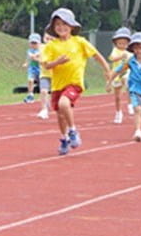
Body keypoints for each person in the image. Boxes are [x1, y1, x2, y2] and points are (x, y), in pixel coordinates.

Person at [41, 8, 111, 155]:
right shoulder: (51, 46)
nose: (61, 27)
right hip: (57, 85)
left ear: (72, 26)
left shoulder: (80, 42)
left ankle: (73, 131)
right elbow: (46, 65)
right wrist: (57, 62)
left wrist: (107, 69)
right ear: (53, 28)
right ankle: (64, 138)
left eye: (64, 24)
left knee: (64, 103)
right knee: (60, 114)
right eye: (58, 24)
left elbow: (96, 55)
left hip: (74, 83)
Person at [106, 32, 141, 142]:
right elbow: (118, 70)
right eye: (136, 48)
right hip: (135, 89)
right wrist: (109, 82)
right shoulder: (130, 61)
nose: (139, 50)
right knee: (137, 109)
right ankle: (138, 131)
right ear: (132, 49)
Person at [107, 27, 133, 124]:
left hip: (127, 73)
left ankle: (130, 104)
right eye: (120, 43)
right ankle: (118, 112)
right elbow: (112, 59)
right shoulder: (115, 50)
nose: (122, 45)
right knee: (117, 97)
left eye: (124, 43)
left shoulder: (130, 52)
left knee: (127, 81)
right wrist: (121, 56)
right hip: (116, 75)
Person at [36, 33, 53, 120]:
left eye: (51, 37)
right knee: (43, 91)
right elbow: (39, 57)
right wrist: (36, 58)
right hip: (44, 74)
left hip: (56, 75)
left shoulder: (57, 48)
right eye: (47, 37)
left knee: (55, 94)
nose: (48, 39)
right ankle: (44, 110)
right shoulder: (41, 47)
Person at [21, 33, 42, 104]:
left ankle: (43, 95)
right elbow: (29, 58)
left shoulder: (41, 50)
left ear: (39, 43)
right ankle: (30, 94)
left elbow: (39, 57)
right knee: (30, 80)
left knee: (41, 83)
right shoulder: (29, 51)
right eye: (32, 43)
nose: (33, 45)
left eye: (35, 43)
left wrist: (36, 57)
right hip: (32, 68)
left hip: (40, 69)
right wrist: (26, 64)